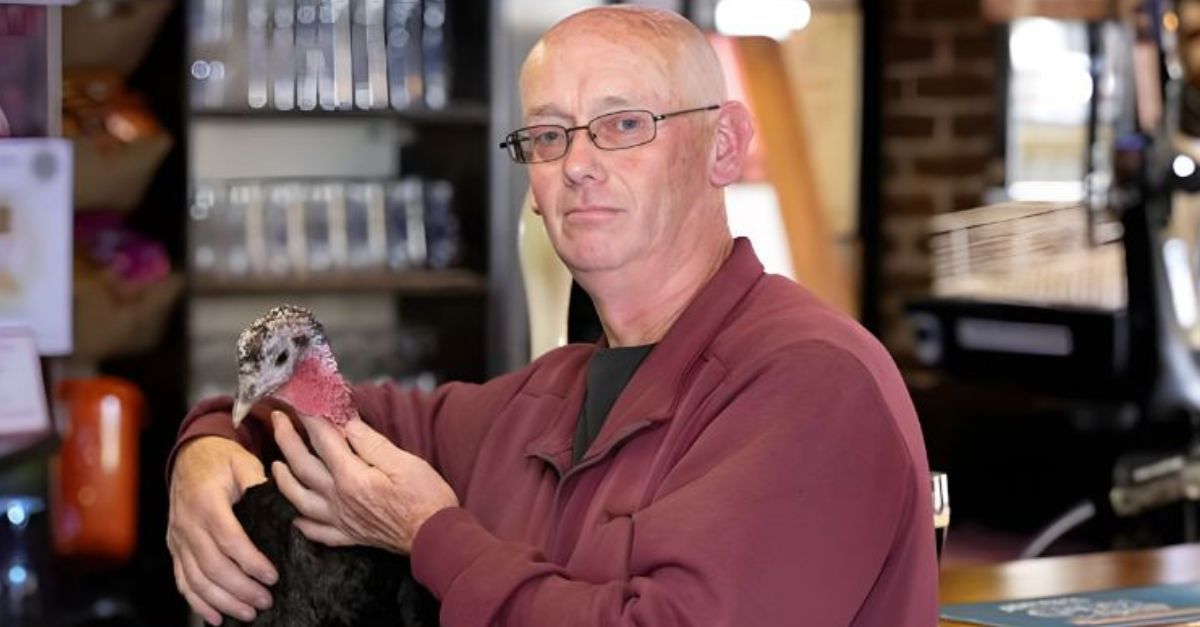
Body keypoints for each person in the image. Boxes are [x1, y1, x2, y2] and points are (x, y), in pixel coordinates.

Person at [166, 6, 938, 626]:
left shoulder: (813, 381)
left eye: (625, 123)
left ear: (724, 145)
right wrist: (209, 442)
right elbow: (333, 410)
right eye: (547, 135)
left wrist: (432, 535)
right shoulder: (548, 392)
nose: (577, 163)